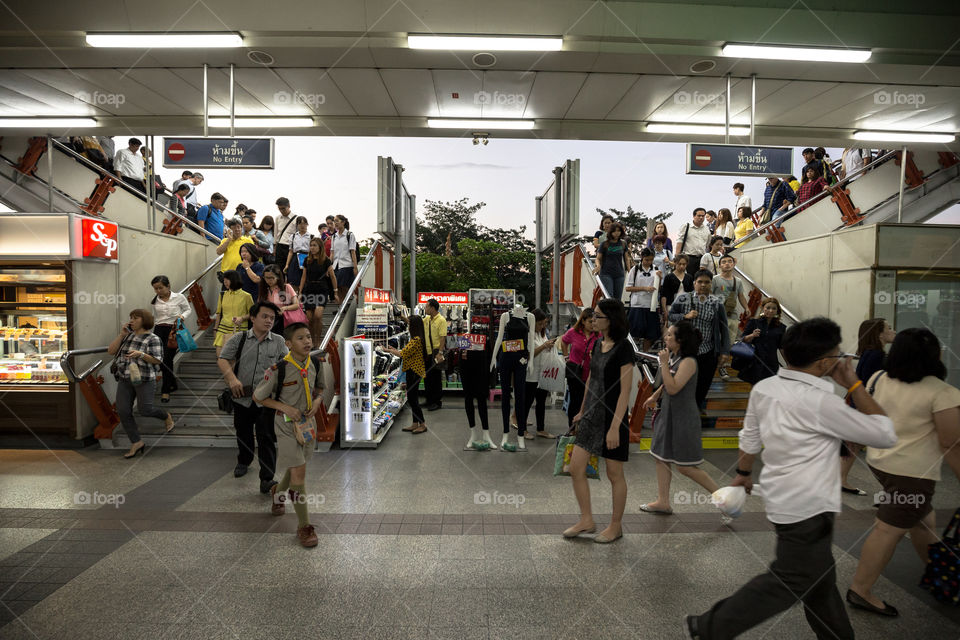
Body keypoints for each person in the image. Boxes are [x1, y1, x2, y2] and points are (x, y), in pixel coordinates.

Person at [686, 317, 897, 640]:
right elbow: (884, 433)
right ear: (826, 362)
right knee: (791, 579)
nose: (843, 361)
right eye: (839, 355)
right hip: (808, 507)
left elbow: (751, 435)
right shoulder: (823, 402)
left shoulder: (765, 388)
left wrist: (743, 472)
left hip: (783, 497)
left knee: (820, 580)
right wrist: (854, 383)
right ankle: (711, 626)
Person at [848, 328, 960, 617]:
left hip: (881, 463)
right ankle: (860, 590)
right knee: (888, 529)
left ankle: (939, 577)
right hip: (912, 474)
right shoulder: (943, 392)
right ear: (935, 355)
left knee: (922, 521)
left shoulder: (878, 378)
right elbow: (951, 443)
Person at [565, 298, 633, 544]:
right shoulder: (597, 344)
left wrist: (615, 427)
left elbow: (625, 391)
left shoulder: (624, 348)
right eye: (593, 315)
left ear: (611, 319)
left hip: (612, 418)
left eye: (597, 316)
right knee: (575, 468)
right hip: (592, 415)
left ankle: (615, 526)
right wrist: (582, 410)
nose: (593, 320)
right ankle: (586, 519)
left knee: (614, 473)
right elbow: (591, 381)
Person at [253, 322, 323, 548]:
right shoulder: (279, 369)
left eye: (309, 337)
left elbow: (321, 390)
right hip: (284, 425)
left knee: (297, 467)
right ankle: (304, 526)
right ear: (289, 344)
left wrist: (317, 403)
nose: (307, 342)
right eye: (301, 338)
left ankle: (277, 492)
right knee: (299, 474)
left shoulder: (316, 363)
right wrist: (285, 408)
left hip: (306, 424)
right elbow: (258, 397)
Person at [641, 322, 720, 514]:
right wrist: (655, 395)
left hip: (683, 418)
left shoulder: (689, 362)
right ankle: (663, 501)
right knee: (661, 458)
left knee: (685, 467)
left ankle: (724, 498)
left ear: (681, 340)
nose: (665, 338)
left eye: (670, 335)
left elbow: (675, 386)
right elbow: (667, 384)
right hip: (668, 414)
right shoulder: (676, 358)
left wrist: (664, 364)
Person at [218, 302, 287, 492]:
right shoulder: (239, 339)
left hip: (267, 400)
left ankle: (267, 479)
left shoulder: (279, 341)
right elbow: (223, 358)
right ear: (253, 317)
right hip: (242, 397)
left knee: (266, 437)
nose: (269, 321)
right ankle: (244, 460)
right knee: (243, 432)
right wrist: (232, 379)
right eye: (264, 316)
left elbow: (287, 366)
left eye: (272, 318)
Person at [840, 318, 898, 496]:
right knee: (876, 446)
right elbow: (867, 383)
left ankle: (840, 479)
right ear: (879, 334)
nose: (893, 331)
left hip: (860, 404)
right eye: (889, 328)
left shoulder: (870, 352)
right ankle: (892, 489)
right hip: (866, 406)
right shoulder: (876, 355)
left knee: (854, 445)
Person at [107, 309, 175, 458]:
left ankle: (165, 416)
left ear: (144, 321)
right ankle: (136, 442)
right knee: (123, 410)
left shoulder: (153, 338)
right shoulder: (127, 336)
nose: (131, 320)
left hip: (144, 379)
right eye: (130, 318)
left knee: (145, 410)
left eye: (135, 318)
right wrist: (121, 335)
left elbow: (157, 360)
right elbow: (111, 351)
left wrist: (141, 355)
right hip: (125, 378)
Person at [669, 270, 730, 411]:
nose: (703, 285)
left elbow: (724, 329)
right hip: (685, 351)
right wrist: (685, 316)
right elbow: (671, 316)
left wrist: (725, 351)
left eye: (707, 282)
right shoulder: (682, 298)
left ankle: (695, 408)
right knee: (683, 381)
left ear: (711, 284)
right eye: (700, 282)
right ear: (694, 283)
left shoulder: (716, 303)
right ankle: (681, 408)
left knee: (703, 383)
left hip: (708, 351)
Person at [150, 275, 192, 403]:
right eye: (155, 289)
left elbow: (188, 309)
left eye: (160, 288)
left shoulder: (179, 297)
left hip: (173, 330)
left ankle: (165, 390)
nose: (158, 291)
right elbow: (155, 317)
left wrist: (182, 316)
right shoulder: (155, 300)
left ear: (168, 286)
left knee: (167, 358)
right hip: (158, 330)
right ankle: (171, 382)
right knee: (160, 359)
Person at [385, 315, 429, 435]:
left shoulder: (416, 340)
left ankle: (422, 424)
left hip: (414, 372)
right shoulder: (417, 338)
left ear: (413, 326)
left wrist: (388, 350)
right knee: (411, 398)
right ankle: (415, 423)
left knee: (413, 399)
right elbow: (405, 353)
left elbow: (402, 354)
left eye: (409, 324)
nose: (408, 326)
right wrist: (393, 349)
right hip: (413, 371)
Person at [523, 309, 558, 440]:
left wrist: (549, 345)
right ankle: (523, 429)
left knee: (542, 401)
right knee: (527, 402)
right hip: (530, 374)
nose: (543, 326)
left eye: (544, 323)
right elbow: (529, 353)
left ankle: (541, 429)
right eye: (540, 323)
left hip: (543, 373)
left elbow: (543, 348)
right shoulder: (528, 334)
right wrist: (544, 346)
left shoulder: (542, 333)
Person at [711, 254, 748, 380]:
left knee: (729, 344)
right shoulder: (715, 279)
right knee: (717, 341)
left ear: (733, 264)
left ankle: (721, 366)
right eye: (724, 262)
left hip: (732, 316)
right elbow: (709, 295)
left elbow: (741, 296)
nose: (727, 263)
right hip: (717, 316)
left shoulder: (738, 281)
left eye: (730, 261)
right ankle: (716, 366)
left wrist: (747, 308)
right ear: (720, 265)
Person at [561, 308, 598, 431]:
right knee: (575, 402)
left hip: (591, 373)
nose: (593, 324)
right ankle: (572, 429)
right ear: (583, 321)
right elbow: (564, 341)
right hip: (575, 373)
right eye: (590, 321)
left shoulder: (598, 335)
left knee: (588, 401)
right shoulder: (573, 332)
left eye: (594, 321)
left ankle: (584, 429)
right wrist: (566, 357)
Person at [736, 297, 785, 385]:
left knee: (769, 388)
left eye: (774, 308)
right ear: (763, 308)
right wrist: (752, 335)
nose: (770, 311)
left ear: (777, 311)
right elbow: (742, 339)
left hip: (771, 362)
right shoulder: (754, 322)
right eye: (768, 308)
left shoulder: (781, 327)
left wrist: (789, 363)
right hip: (754, 361)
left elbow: (782, 347)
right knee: (755, 387)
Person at [299, 237, 338, 344]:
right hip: (309, 290)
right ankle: (310, 340)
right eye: (311, 245)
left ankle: (317, 340)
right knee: (310, 318)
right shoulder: (307, 260)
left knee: (318, 315)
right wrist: (300, 292)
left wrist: (335, 291)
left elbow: (333, 276)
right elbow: (303, 277)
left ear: (320, 247)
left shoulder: (326, 260)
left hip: (322, 289)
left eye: (314, 245)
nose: (312, 248)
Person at [625, 248, 660, 351]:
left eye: (651, 260)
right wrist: (644, 288)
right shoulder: (635, 270)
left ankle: (645, 356)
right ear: (642, 258)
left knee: (649, 334)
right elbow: (628, 288)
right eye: (646, 260)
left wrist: (660, 279)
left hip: (651, 305)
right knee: (635, 332)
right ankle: (633, 353)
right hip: (637, 305)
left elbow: (658, 288)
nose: (649, 262)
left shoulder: (655, 269)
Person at [214, 270, 254, 357]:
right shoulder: (222, 295)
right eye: (224, 280)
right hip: (222, 329)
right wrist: (215, 329)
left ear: (234, 279)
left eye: (227, 279)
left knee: (234, 360)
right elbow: (218, 313)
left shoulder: (246, 296)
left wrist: (242, 318)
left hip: (239, 329)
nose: (225, 282)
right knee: (220, 358)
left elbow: (253, 313)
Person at [594, 221, 631, 300]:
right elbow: (598, 258)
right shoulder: (604, 244)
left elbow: (626, 259)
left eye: (618, 231)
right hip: (606, 274)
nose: (616, 233)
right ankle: (607, 312)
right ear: (611, 232)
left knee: (618, 298)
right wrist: (598, 266)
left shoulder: (623, 243)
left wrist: (629, 271)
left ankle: (616, 312)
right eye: (614, 231)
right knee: (609, 297)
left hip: (619, 274)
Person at [259, 265, 301, 334]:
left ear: (278, 277)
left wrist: (284, 308)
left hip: (283, 320)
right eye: (266, 278)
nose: (269, 280)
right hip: (268, 321)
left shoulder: (286, 287)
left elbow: (296, 305)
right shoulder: (264, 289)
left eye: (271, 278)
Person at [423, 299, 447, 411]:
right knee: (427, 377)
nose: (425, 308)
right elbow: (415, 323)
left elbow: (443, 338)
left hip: (436, 352)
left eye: (426, 306)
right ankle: (429, 400)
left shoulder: (441, 320)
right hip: (427, 353)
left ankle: (437, 402)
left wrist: (440, 353)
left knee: (435, 378)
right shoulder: (427, 319)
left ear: (432, 308)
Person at [675, 208, 712, 281]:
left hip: (702, 259)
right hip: (689, 258)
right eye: (699, 216)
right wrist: (677, 257)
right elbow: (679, 241)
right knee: (688, 279)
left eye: (703, 216)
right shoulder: (686, 226)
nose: (701, 218)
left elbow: (708, 244)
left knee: (700, 279)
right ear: (694, 216)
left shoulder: (706, 229)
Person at [332, 214, 359, 302]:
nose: (335, 223)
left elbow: (353, 252)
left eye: (337, 221)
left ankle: (352, 301)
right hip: (335, 265)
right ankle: (341, 307)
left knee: (344, 286)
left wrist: (355, 267)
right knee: (338, 287)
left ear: (343, 222)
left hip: (346, 265)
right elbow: (332, 253)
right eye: (334, 221)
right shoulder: (334, 236)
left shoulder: (349, 235)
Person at [660, 255, 693, 322]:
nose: (681, 266)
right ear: (675, 263)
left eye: (684, 264)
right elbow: (664, 295)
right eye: (679, 264)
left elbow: (691, 293)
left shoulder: (689, 277)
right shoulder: (668, 277)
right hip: (671, 305)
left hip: (685, 306)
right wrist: (664, 310)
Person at [283, 216, 311, 293]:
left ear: (307, 224)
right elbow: (291, 252)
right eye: (300, 223)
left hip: (307, 257)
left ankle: (303, 297)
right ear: (297, 225)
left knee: (306, 279)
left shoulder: (311, 236)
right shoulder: (293, 236)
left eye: (304, 223)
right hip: (295, 258)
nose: (302, 225)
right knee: (293, 279)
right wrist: (287, 264)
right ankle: (295, 298)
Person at [273, 197, 298, 270]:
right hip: (280, 246)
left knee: (290, 268)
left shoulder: (296, 218)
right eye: (279, 208)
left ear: (289, 206)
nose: (281, 211)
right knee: (279, 269)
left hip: (290, 247)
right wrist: (275, 247)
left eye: (283, 208)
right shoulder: (278, 218)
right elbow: (276, 233)